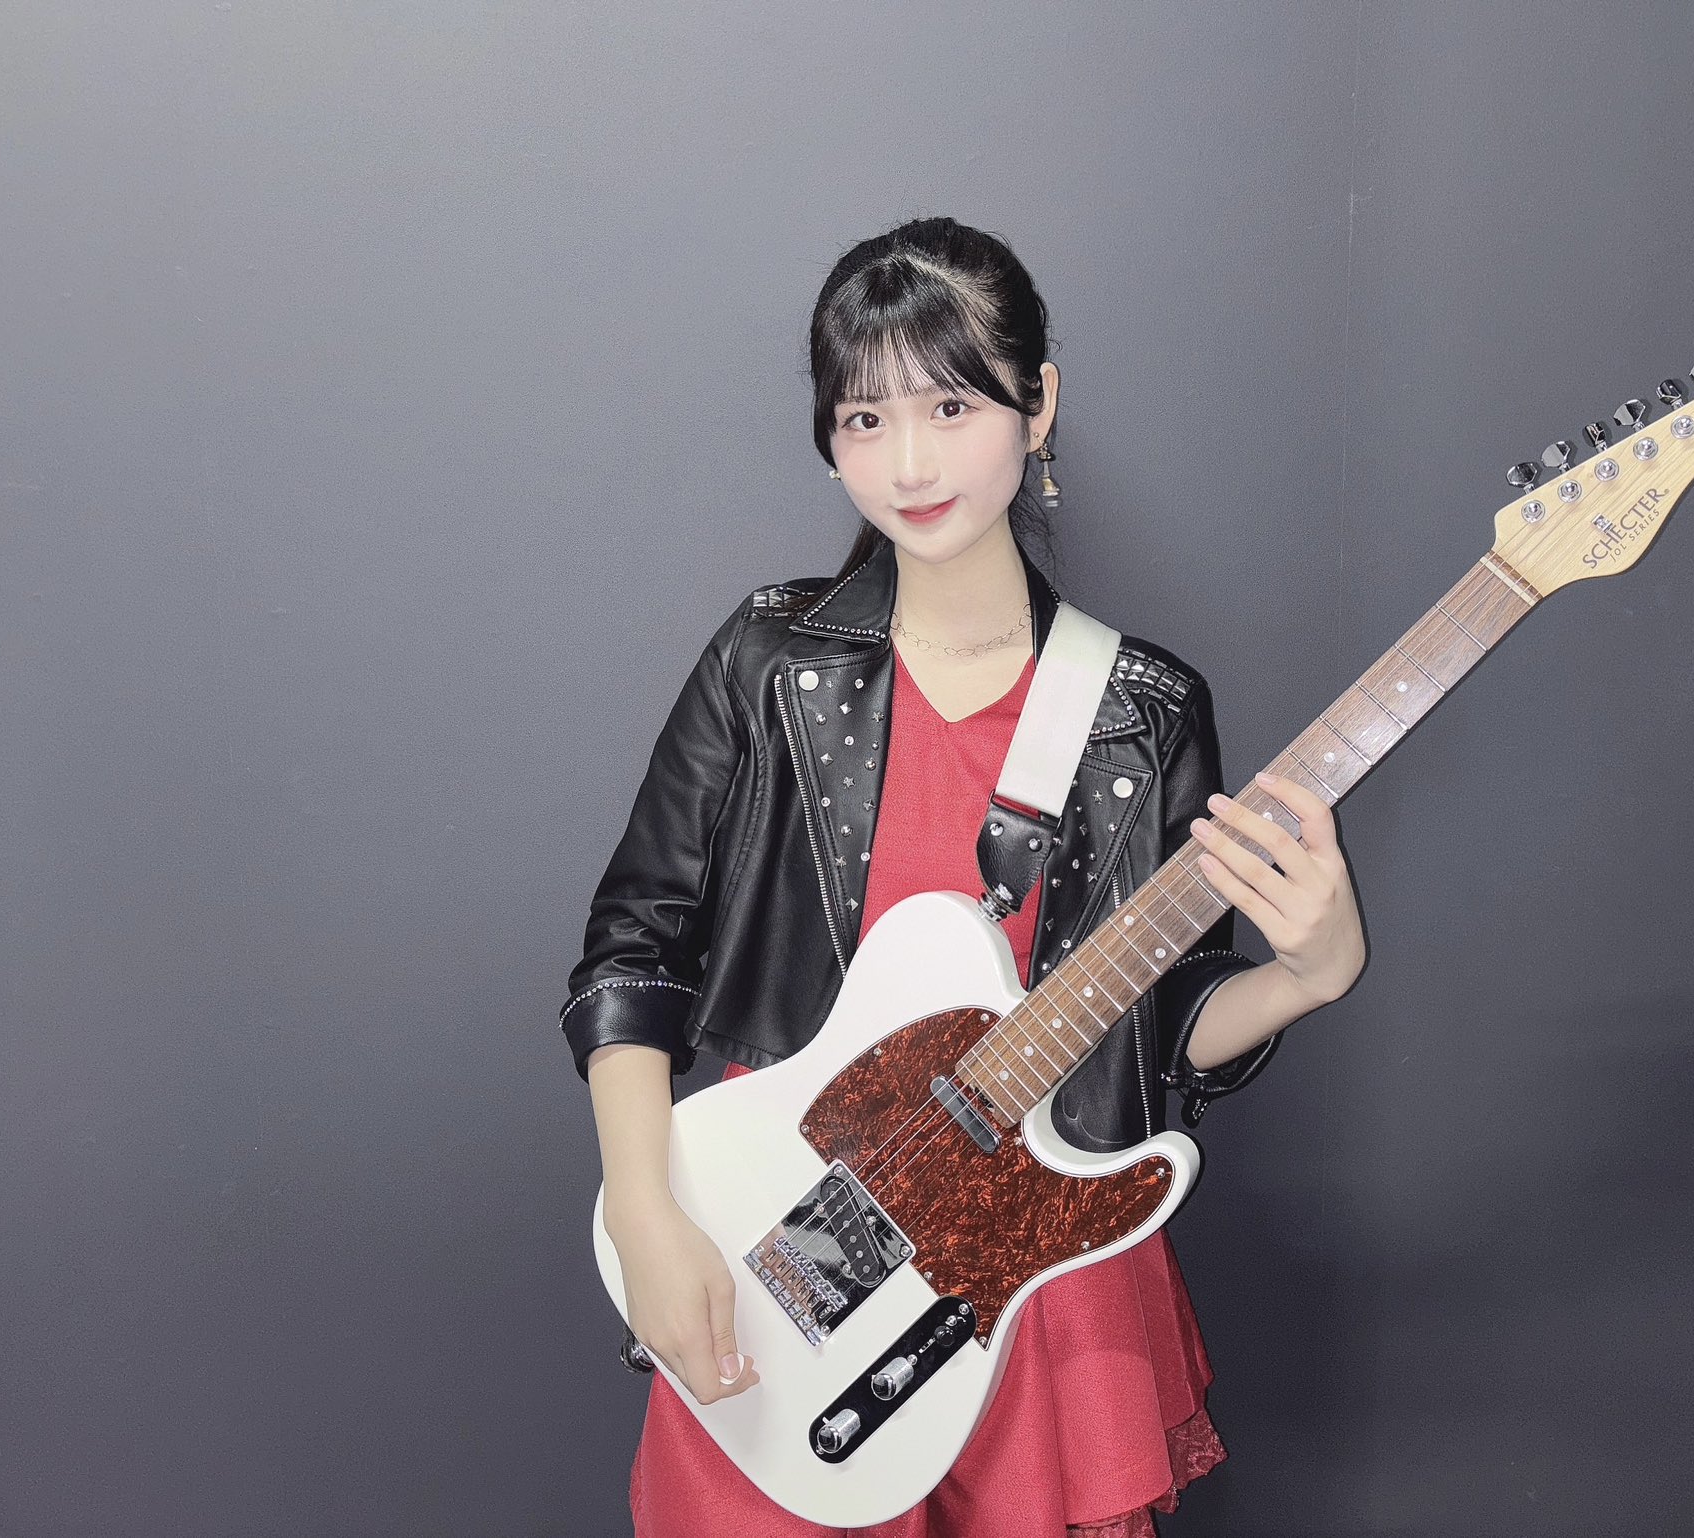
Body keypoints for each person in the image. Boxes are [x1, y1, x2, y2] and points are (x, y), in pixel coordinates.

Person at [562, 216, 1366, 1537]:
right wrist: (646, 1214)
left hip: (1035, 1277)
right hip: (792, 1246)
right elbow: (634, 950)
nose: (910, 463)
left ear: (1038, 405)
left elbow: (1149, 1024)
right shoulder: (768, 662)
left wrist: (1306, 976)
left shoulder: (1142, 708)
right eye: (864, 419)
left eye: (951, 405)